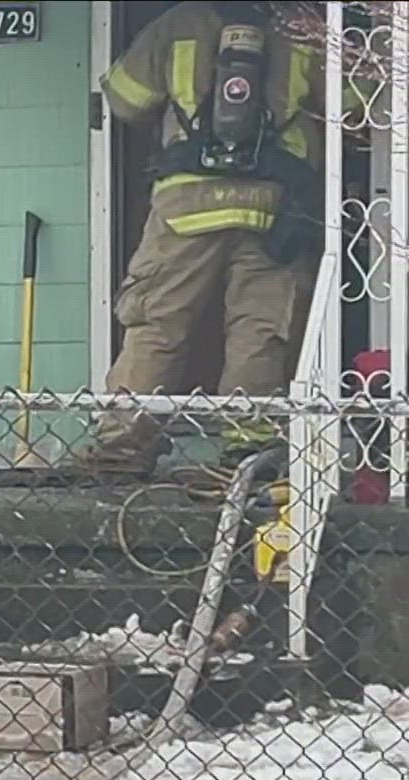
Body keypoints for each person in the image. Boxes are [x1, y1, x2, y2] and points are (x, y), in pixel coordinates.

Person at [71, 0, 327, 476]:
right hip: (272, 208)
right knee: (260, 328)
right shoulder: (299, 29)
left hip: (185, 205)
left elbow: (126, 100)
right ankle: (247, 450)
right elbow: (356, 104)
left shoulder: (177, 23)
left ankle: (121, 449)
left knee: (156, 323)